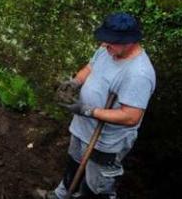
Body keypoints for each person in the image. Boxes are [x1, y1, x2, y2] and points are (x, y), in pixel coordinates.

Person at [41, 13, 155, 199]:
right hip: (83, 127)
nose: (105, 45)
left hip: (106, 140)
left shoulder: (139, 74)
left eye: (111, 42)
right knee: (74, 161)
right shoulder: (108, 48)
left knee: (97, 184)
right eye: (105, 40)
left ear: (130, 42)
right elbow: (91, 67)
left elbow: (131, 116)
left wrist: (88, 111)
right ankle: (61, 195)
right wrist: (75, 82)